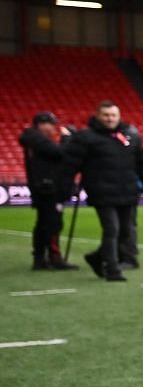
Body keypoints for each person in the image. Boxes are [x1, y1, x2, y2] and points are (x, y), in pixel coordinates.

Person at [62, 100, 143, 282]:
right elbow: (69, 165)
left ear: (119, 117)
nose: (110, 119)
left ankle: (96, 258)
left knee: (125, 232)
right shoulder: (85, 137)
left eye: (113, 115)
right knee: (112, 229)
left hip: (127, 191)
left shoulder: (129, 136)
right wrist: (67, 186)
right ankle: (112, 269)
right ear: (98, 116)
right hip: (101, 191)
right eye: (106, 115)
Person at [18, 111, 76, 270]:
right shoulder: (37, 139)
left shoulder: (33, 140)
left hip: (44, 187)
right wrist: (67, 138)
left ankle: (40, 259)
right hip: (47, 189)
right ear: (42, 124)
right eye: (52, 124)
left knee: (44, 224)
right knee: (52, 224)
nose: (54, 128)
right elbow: (60, 154)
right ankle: (53, 258)